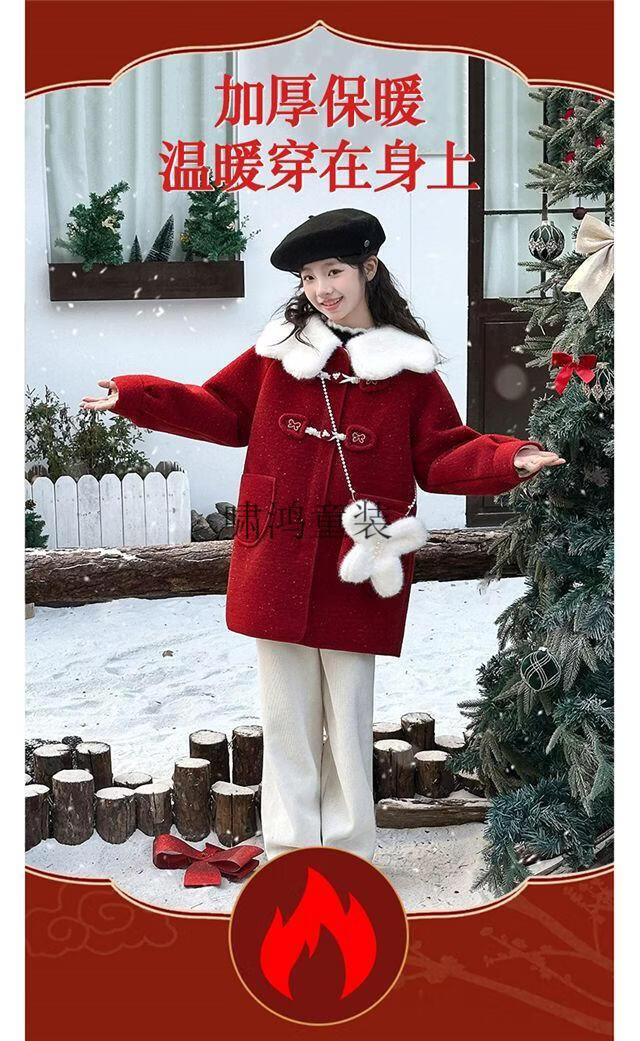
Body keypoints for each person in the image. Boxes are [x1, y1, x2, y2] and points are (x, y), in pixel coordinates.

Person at [81, 207, 564, 864]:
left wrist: (510, 457)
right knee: (285, 722)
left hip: (358, 560)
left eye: (333, 271)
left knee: (348, 720)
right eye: (308, 277)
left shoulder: (408, 370)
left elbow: (442, 453)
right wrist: (138, 395)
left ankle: (345, 854)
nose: (321, 289)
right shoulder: (280, 354)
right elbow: (221, 409)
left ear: (369, 267)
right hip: (277, 555)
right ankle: (289, 852)